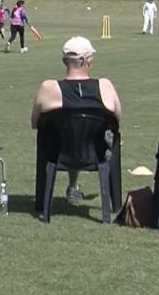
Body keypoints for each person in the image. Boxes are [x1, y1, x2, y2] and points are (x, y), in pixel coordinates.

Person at [30, 36, 122, 211]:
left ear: (65, 61)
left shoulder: (48, 88)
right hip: (96, 153)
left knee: (60, 136)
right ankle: (114, 202)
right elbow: (117, 120)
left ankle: (48, 197)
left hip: (58, 153)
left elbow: (35, 123)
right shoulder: (105, 86)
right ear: (88, 60)